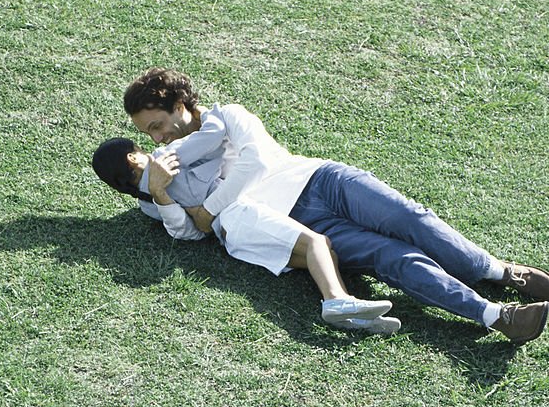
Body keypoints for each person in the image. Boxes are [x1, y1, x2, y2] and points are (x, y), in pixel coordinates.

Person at [119, 67, 549, 345]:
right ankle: (495, 315)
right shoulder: (167, 164)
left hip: (321, 179)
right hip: (297, 220)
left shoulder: (229, 115)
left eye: (158, 125)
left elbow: (255, 163)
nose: (157, 138)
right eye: (149, 132)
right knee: (393, 258)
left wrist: (210, 208)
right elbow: (192, 230)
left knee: (409, 218)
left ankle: (498, 272)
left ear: (180, 105)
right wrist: (166, 194)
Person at [91, 135, 399, 334]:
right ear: (133, 157)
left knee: (324, 251)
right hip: (238, 216)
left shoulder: (150, 205)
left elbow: (187, 233)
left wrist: (162, 196)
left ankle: (350, 315)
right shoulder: (164, 164)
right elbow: (212, 140)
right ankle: (337, 302)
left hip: (232, 237)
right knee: (317, 242)